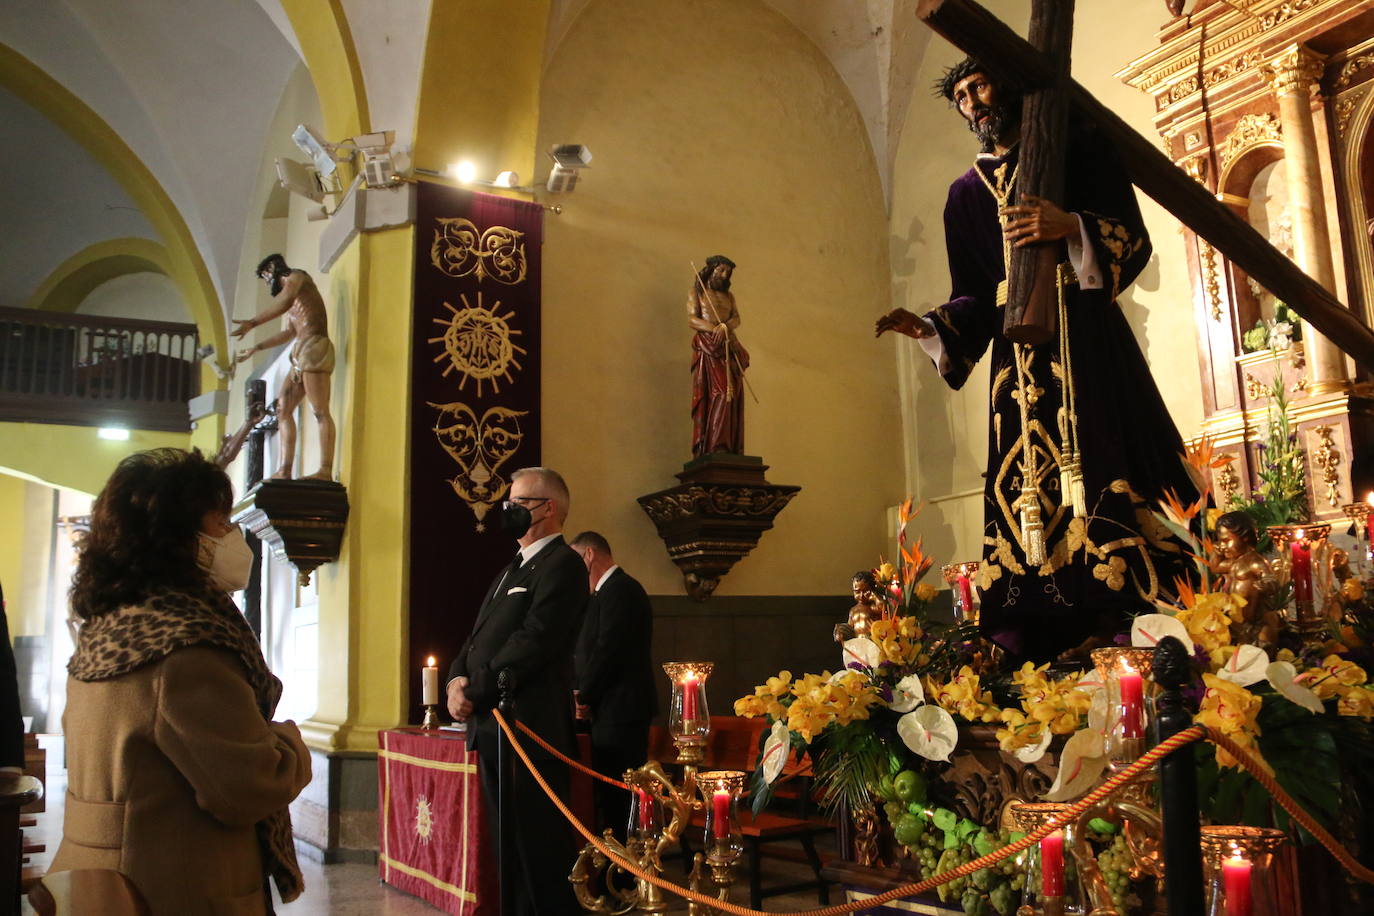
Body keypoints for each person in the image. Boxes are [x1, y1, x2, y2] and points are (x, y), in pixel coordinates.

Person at [874, 58, 1196, 664]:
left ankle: (1124, 616)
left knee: (1104, 451)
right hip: (1013, 364)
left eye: (980, 85)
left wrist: (1070, 225)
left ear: (1009, 85)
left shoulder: (1079, 149)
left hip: (1086, 340)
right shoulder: (964, 195)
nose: (972, 102)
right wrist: (930, 327)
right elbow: (973, 291)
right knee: (1020, 485)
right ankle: (1041, 630)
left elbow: (1132, 235)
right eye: (962, 95)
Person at [52, 448, 311, 914]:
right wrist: (288, 743)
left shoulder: (111, 627)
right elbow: (248, 786)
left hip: (97, 880)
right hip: (172, 885)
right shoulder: (186, 649)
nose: (235, 535)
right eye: (221, 521)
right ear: (178, 535)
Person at [446, 467, 588, 916]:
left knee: (539, 851)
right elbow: (476, 639)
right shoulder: (514, 566)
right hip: (495, 730)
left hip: (530, 729)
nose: (507, 510)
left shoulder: (562, 565)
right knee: (508, 851)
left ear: (548, 508)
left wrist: (478, 690)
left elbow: (535, 641)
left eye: (518, 503)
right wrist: (454, 680)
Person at [570, 531, 656, 838]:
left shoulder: (622, 590)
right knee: (606, 796)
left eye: (576, 560)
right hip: (606, 711)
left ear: (589, 555)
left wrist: (585, 695)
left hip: (622, 711)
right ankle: (610, 867)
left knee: (621, 796)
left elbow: (609, 650)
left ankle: (625, 874)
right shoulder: (602, 595)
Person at [233, 254, 336, 481]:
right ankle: (285, 470)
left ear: (273, 267)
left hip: (315, 346)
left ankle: (325, 470)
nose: (267, 281)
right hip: (300, 352)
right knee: (283, 409)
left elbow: (285, 302)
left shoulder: (297, 278)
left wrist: (253, 323)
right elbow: (289, 332)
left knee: (319, 410)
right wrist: (257, 347)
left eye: (266, 275)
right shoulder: (289, 297)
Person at [689, 255, 749, 456]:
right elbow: (692, 319)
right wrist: (714, 328)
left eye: (727, 273)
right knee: (722, 393)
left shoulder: (729, 297)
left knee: (734, 395)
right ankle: (715, 446)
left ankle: (729, 446)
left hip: (728, 346)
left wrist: (726, 327)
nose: (724, 276)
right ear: (711, 269)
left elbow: (736, 318)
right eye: (721, 270)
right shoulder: (698, 292)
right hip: (709, 345)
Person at [1214, 510, 1280, 646]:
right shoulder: (1234, 561)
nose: (1222, 546)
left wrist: (1266, 585)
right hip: (1237, 623)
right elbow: (1216, 567)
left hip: (1256, 620)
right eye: (1220, 542)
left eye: (1226, 541)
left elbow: (1271, 579)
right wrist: (1216, 553)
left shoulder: (1255, 561)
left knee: (1264, 643)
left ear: (1244, 537)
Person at [834, 570, 883, 643]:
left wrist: (874, 597)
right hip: (857, 645)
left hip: (872, 644)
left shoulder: (872, 607)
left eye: (865, 591)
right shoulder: (853, 610)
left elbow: (883, 608)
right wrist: (841, 632)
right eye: (857, 592)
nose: (861, 595)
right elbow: (850, 628)